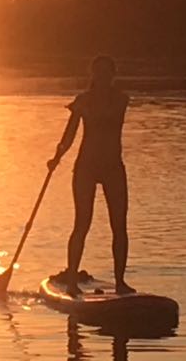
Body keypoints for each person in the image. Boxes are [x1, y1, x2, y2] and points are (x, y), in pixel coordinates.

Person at [47, 56, 136, 296]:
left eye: (108, 73)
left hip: (113, 168)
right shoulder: (83, 102)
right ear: (93, 75)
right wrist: (57, 157)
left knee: (119, 225)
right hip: (86, 166)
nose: (104, 78)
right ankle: (73, 281)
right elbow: (70, 134)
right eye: (99, 73)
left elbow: (111, 115)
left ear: (113, 75)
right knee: (82, 223)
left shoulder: (121, 99)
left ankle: (120, 282)